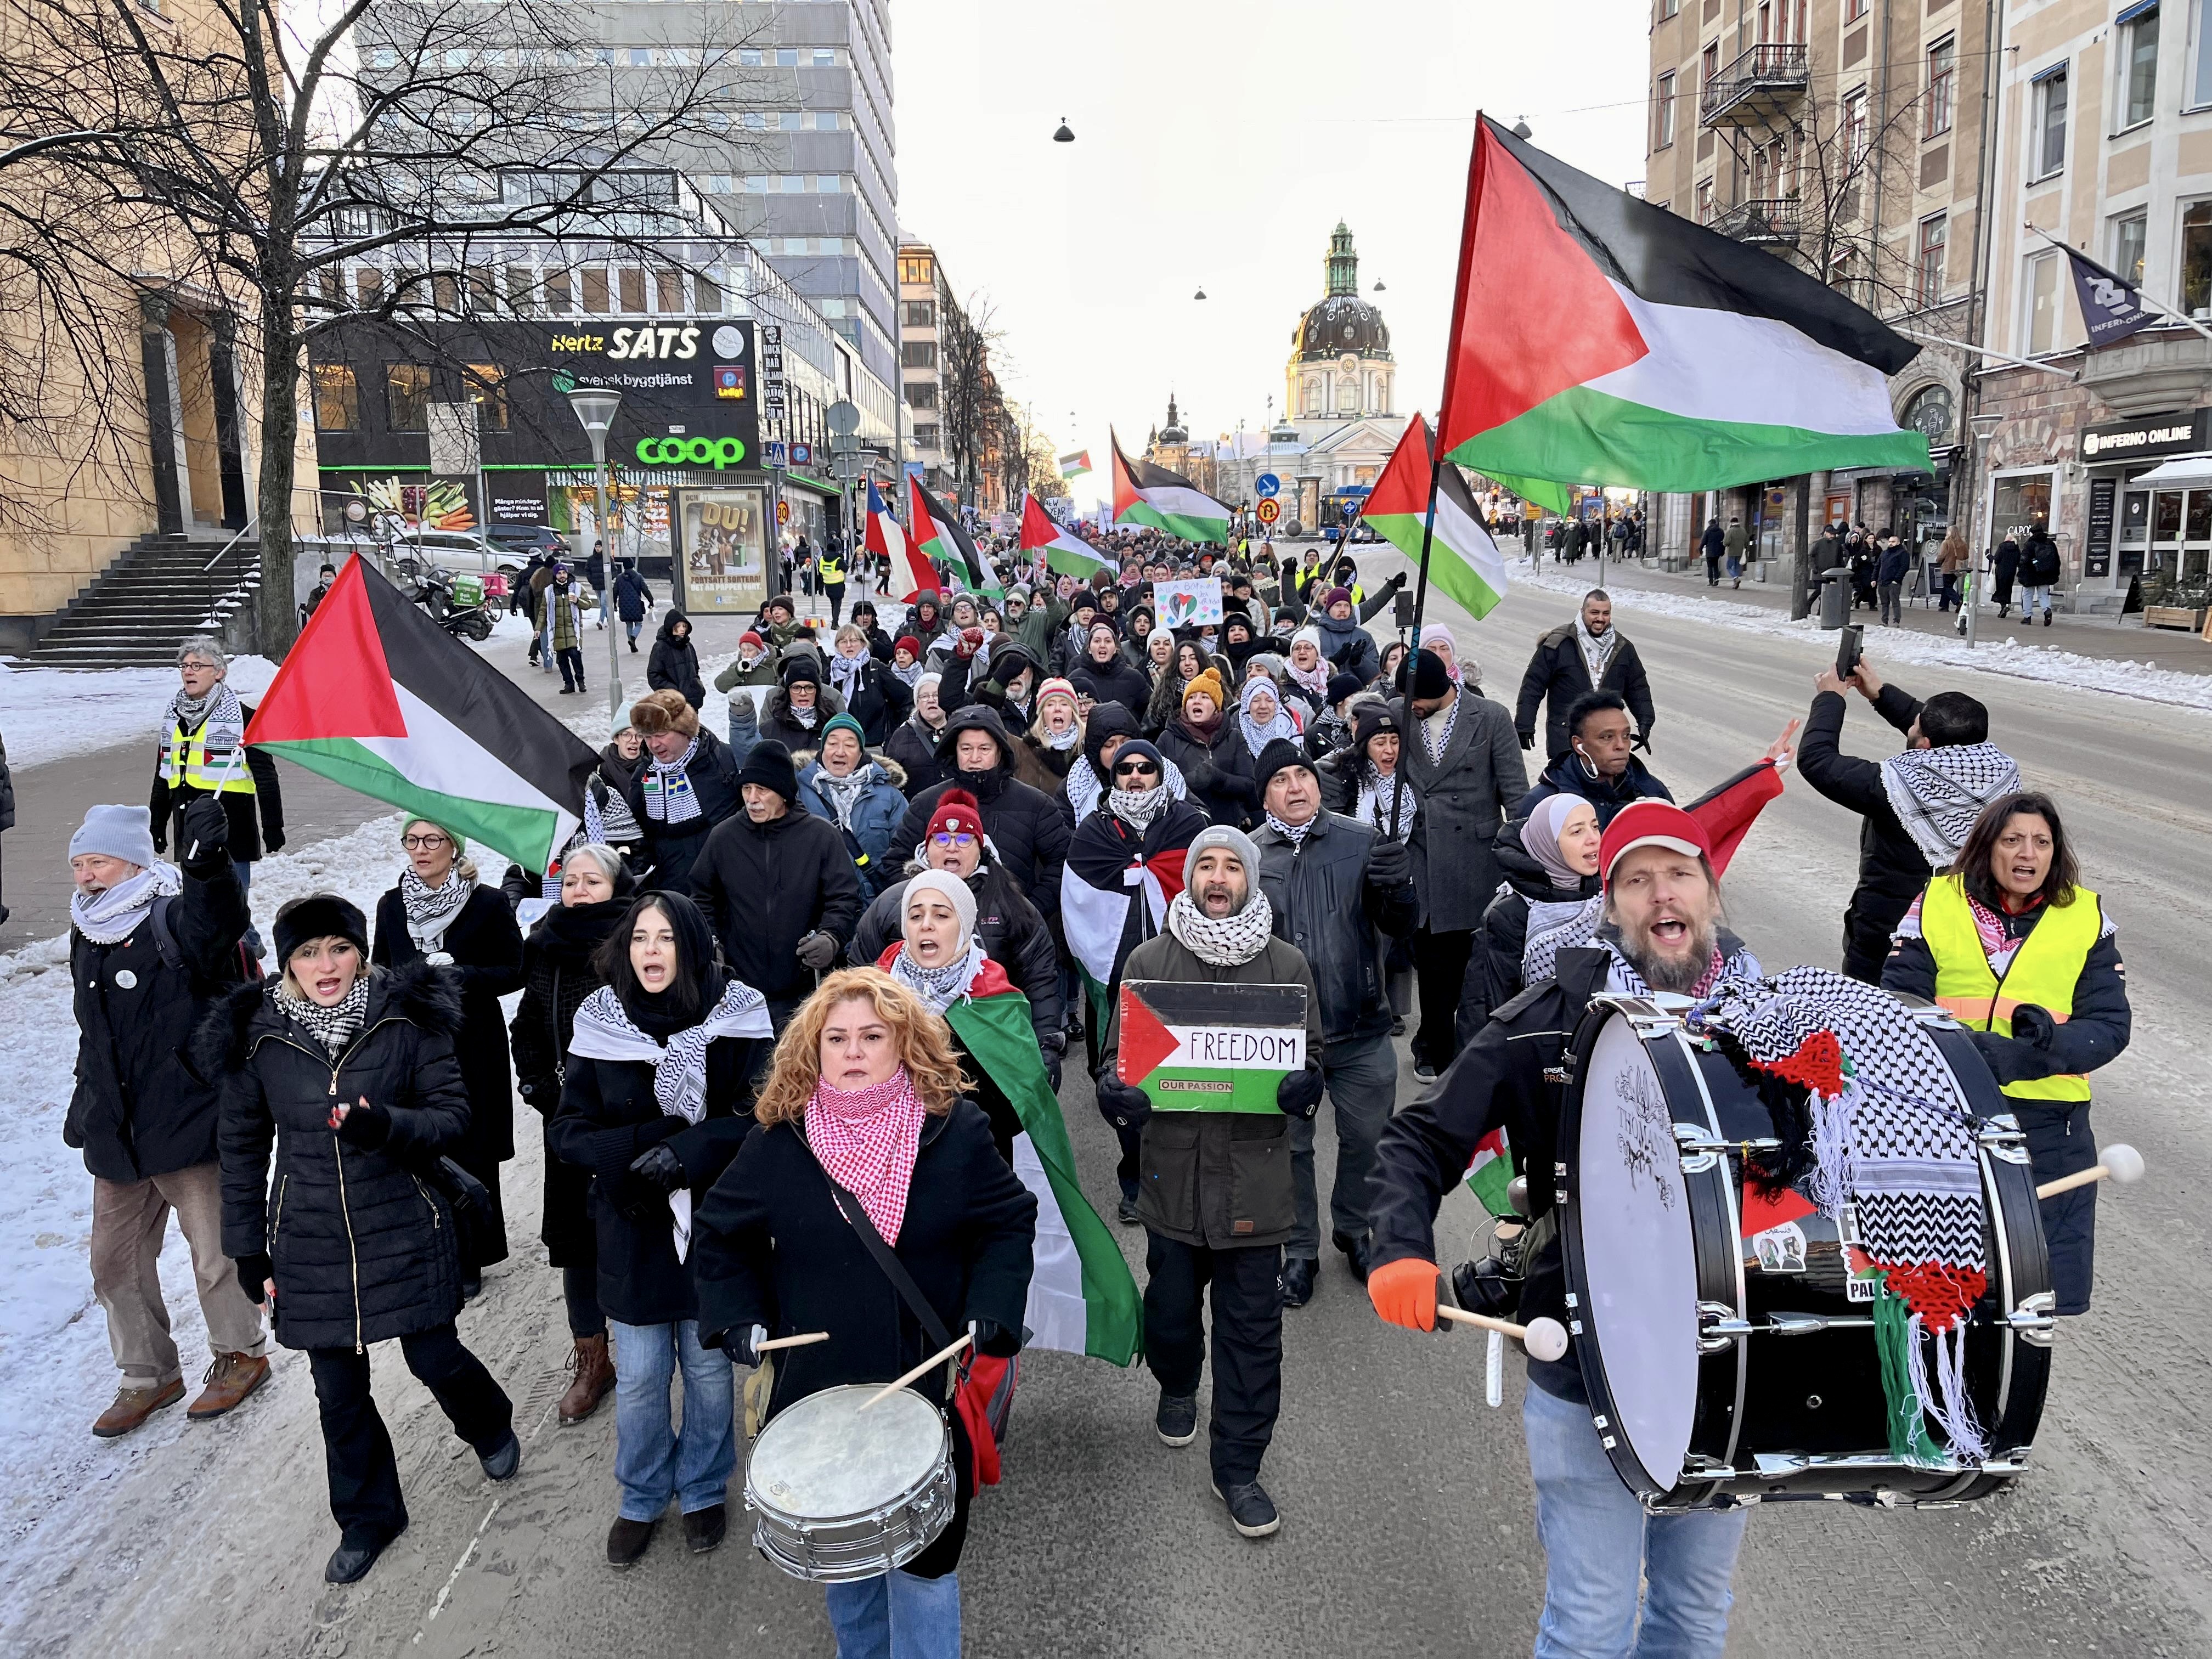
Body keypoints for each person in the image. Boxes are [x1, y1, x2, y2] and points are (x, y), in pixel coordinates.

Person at [1368, 802, 1762, 1657]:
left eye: (1680, 873)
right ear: (1611, 903)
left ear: (1711, 892)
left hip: (1725, 1369)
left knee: (1695, 1617)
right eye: (1637, 878)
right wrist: (1399, 1250)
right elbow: (1423, 1137)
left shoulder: (1770, 1022)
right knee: (1590, 1624)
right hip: (1587, 1364)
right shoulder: (1552, 1015)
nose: (1663, 894)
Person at [694, 969, 1035, 1656]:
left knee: (926, 1570)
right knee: (846, 1569)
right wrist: (736, 1318)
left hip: (927, 1386)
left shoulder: (956, 1131)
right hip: (822, 1392)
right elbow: (719, 1233)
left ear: (904, 1043)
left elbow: (1007, 1223)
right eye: (837, 1038)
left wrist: (993, 1306)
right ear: (812, 1051)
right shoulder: (778, 1143)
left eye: (872, 1036)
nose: (853, 1051)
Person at [208, 894, 519, 1585]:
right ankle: (368, 1516)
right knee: (338, 1393)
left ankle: (490, 1425)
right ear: (287, 962)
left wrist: (386, 1126)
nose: (328, 965)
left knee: (435, 1359)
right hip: (309, 1237)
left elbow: (450, 1116)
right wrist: (248, 1249)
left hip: (403, 1217)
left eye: (340, 948)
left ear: (362, 950)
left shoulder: (407, 1014)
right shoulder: (258, 1033)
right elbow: (241, 1147)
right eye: (309, 952)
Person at [1093, 827, 1324, 1539]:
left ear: (1251, 880)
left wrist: (1304, 1085)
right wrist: (1114, 1094)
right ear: (1190, 878)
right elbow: (1113, 1058)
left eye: (1232, 866)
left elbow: (1314, 1052)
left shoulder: (1287, 965)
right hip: (1172, 1177)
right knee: (1168, 1311)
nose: (1218, 878)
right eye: (1207, 866)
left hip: (1257, 1186)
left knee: (1252, 1335)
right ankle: (1175, 1379)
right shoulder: (1148, 960)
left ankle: (1240, 1469)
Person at [549, 890, 769, 1566]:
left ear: (694, 947)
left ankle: (703, 1486)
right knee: (642, 1376)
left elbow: (763, 1120)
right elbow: (567, 1131)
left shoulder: (740, 1017)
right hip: (633, 1222)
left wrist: (689, 1151)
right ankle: (641, 1495)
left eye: (667, 938)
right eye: (641, 938)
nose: (652, 951)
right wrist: (637, 1151)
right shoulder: (600, 1022)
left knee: (707, 1374)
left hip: (713, 1223)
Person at [1882, 792, 2129, 1315]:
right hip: (1946, 1114)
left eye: (2041, 842)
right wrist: (1972, 1056)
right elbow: (1900, 1002)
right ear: (1987, 846)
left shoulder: (2085, 917)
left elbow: (2109, 1026)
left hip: (2049, 1126)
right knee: (1934, 1283)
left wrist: (2041, 1053)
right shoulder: (1936, 901)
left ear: (2055, 852)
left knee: (2032, 1292)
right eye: (2013, 840)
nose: (2028, 854)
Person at [67, 800, 268, 1437]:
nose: (86, 877)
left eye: (97, 861)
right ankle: (148, 1375)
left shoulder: (170, 916)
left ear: (132, 861)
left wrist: (208, 866)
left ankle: (241, 1355)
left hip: (186, 1116)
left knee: (213, 1256)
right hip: (117, 1128)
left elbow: (218, 927)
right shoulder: (87, 929)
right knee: (113, 1264)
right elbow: (94, 1033)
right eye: (77, 864)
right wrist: (85, 1103)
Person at [1248, 742, 1415, 1306]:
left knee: (1367, 1138)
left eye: (1304, 775)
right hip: (1285, 1038)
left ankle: (1354, 1226)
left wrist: (1401, 886)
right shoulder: (1247, 856)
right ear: (1264, 794)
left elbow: (1400, 925)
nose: (1296, 787)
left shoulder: (1361, 840)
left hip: (1361, 1025)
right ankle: (1299, 1250)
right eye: (1281, 781)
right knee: (1290, 1148)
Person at [370, 818, 524, 1288]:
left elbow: (514, 970)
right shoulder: (392, 904)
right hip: (412, 1043)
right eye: (412, 841)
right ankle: (431, 1250)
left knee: (471, 1145)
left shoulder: (488, 903)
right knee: (420, 1143)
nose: (420, 850)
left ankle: (471, 1257)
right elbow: (380, 966)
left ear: (453, 849)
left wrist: (463, 976)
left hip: (472, 1041)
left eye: (432, 840)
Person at [510, 843, 633, 1425]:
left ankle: (648, 1344)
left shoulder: (638, 941)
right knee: (575, 1243)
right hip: (566, 1120)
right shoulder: (547, 944)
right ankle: (592, 1359)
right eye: (572, 882)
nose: (580, 891)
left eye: (593, 882)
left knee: (636, 1228)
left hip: (627, 1119)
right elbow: (527, 1023)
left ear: (616, 888)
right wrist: (536, 1086)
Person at [1063, 740, 1211, 1218]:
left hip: (1186, 977)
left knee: (1190, 1082)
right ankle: (1137, 1181)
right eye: (1125, 768)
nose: (1134, 776)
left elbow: (1214, 887)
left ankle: (1190, 1175)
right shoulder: (1095, 832)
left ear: (1160, 774)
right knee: (1130, 1085)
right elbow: (1078, 900)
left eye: (1145, 768)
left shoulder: (1190, 824)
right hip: (1123, 980)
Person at [1800, 657, 2019, 981]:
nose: (1912, 722)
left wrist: (1830, 697)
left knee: (1874, 1018)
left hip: (1890, 936)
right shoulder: (2000, 773)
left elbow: (1817, 760)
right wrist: (1880, 694)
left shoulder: (1898, 788)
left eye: (1917, 725)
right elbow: (1943, 732)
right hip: (1970, 928)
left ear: (1925, 744)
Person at [1395, 647, 1527, 1080]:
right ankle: (1434, 1042)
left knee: (1466, 964)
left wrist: (1520, 861)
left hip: (1474, 861)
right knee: (1431, 962)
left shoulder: (1490, 718)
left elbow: (1516, 794)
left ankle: (1455, 1046)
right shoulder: (1400, 713)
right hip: (1421, 856)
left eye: (1418, 700)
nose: (1411, 707)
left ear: (1441, 691)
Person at [689, 738, 863, 1030]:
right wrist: (711, 943)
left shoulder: (820, 836)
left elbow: (844, 898)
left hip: (805, 989)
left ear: (783, 793)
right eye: (747, 789)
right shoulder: (723, 837)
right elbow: (701, 897)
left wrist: (831, 936)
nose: (753, 798)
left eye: (763, 789)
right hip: (736, 990)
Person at [149, 636, 284, 957]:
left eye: (198, 665)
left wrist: (273, 827)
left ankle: (245, 954)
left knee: (233, 899)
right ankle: (242, 949)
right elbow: (163, 773)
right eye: (184, 665)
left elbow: (266, 774)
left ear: (219, 672)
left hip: (231, 828)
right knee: (199, 903)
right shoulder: (174, 718)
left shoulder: (243, 717)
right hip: (189, 828)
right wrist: (156, 824)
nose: (188, 672)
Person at [893, 707, 1072, 923]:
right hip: (940, 930)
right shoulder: (926, 804)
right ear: (954, 751)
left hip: (1015, 933)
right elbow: (897, 862)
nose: (975, 757)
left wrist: (1029, 911)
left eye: (984, 748)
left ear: (1000, 751)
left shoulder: (1036, 803)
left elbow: (1061, 863)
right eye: (966, 748)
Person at [620, 690, 746, 895]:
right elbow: (639, 837)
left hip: (723, 888)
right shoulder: (645, 775)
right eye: (648, 737)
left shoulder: (722, 760)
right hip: (669, 891)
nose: (654, 744)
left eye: (661, 734)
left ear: (685, 730)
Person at [1514, 591, 1655, 762]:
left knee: (1606, 786)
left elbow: (1637, 687)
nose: (1600, 619)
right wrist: (1524, 724)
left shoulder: (1622, 648)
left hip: (1607, 739)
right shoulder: (1558, 644)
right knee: (1568, 787)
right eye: (1594, 613)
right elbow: (1533, 685)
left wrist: (1645, 720)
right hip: (1566, 739)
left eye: (1606, 613)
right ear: (1582, 612)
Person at [795, 712, 909, 899]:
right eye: (832, 744)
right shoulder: (799, 790)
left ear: (861, 753)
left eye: (849, 745)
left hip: (871, 905)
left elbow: (903, 854)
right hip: (817, 905)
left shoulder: (890, 797)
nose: (840, 751)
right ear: (822, 749)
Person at [1157, 668, 1257, 828]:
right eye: (1191, 697)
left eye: (1205, 697)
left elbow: (1248, 785)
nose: (1197, 701)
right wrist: (1188, 781)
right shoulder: (1167, 738)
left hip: (1227, 825)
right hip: (1183, 825)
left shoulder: (1234, 737)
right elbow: (1157, 784)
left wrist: (1218, 778)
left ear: (1216, 706)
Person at [826, 622, 913, 746]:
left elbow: (906, 698)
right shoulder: (831, 673)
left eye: (854, 640)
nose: (849, 645)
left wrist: (895, 732)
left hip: (872, 745)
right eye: (843, 642)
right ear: (837, 646)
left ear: (863, 643)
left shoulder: (876, 669)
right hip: (838, 745)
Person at [887, 672, 951, 798]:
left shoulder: (959, 729)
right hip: (918, 811)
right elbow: (891, 780)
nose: (931, 700)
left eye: (936, 695)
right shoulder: (902, 735)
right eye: (925, 697)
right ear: (918, 702)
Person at [647, 610, 707, 712]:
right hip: (673, 704)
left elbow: (695, 669)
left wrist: (697, 687)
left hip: (692, 702)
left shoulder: (688, 646)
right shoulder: (661, 647)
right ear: (671, 627)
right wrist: (673, 691)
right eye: (678, 626)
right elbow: (653, 675)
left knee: (693, 727)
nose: (682, 629)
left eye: (684, 626)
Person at [548, 563, 592, 693]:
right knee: (562, 660)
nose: (562, 576)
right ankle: (569, 684)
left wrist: (578, 601)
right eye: (559, 573)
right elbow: (543, 611)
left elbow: (588, 605)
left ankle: (581, 681)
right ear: (555, 575)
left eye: (564, 573)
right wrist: (538, 629)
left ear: (567, 574)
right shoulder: (550, 591)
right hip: (558, 632)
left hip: (573, 631)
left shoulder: (577, 588)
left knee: (575, 656)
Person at [2019, 520, 2060, 625]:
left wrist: (2022, 572)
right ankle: (2047, 610)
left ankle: (2027, 617)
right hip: (2046, 574)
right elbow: (2057, 560)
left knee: (2028, 594)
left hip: (2031, 575)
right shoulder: (2050, 543)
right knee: (2043, 595)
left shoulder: (2030, 544)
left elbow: (2024, 560)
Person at [613, 558, 654, 653]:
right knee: (639, 624)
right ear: (632, 565)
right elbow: (645, 590)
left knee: (629, 624)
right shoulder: (638, 576)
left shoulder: (619, 578)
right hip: (636, 603)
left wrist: (614, 604)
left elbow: (615, 591)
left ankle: (632, 643)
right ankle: (633, 638)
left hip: (623, 604)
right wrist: (651, 601)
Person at [1876, 531, 1909, 626]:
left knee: (1895, 602)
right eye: (1890, 541)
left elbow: (1904, 567)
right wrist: (1875, 579)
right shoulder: (1885, 553)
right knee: (1884, 603)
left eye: (1893, 542)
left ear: (1898, 543)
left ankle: (1896, 621)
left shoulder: (1903, 553)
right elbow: (1878, 566)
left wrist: (1897, 580)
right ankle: (1884, 621)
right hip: (1883, 582)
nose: (1890, 543)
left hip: (1894, 583)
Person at [817, 536, 847, 626]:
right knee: (838, 605)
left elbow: (820, 573)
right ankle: (835, 623)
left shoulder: (822, 559)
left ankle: (834, 621)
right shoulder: (838, 560)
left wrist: (821, 588)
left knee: (833, 605)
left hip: (828, 586)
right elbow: (846, 569)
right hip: (838, 585)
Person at [1937, 528, 1969, 612]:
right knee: (1948, 586)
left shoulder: (1946, 542)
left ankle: (1958, 601)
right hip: (1957, 569)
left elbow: (1942, 555)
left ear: (1951, 533)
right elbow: (1966, 556)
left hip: (1948, 568)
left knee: (1947, 587)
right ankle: (1944, 606)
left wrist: (1937, 560)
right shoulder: (1963, 544)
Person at [1992, 529, 2021, 619]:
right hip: (2011, 572)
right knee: (2008, 590)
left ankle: (2004, 606)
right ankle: (2005, 606)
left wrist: (1988, 556)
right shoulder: (2017, 548)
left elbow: (1996, 559)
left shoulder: (2002, 546)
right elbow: (2019, 562)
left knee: (2000, 590)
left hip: (2001, 571)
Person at [1722, 515, 1749, 588]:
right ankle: (1736, 584)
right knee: (1737, 567)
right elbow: (1747, 542)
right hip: (1740, 552)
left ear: (1731, 523)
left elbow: (1726, 542)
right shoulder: (1743, 531)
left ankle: (1736, 578)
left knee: (1729, 567)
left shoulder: (1730, 531)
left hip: (1732, 552)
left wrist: (1724, 544)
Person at [1700, 517, 1724, 585]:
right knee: (1716, 566)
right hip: (1717, 551)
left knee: (1710, 567)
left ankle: (1711, 580)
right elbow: (1722, 542)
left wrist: (1700, 550)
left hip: (1710, 551)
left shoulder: (1707, 532)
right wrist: (1722, 551)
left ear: (1710, 524)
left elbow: (1703, 542)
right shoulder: (1721, 531)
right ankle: (1716, 579)